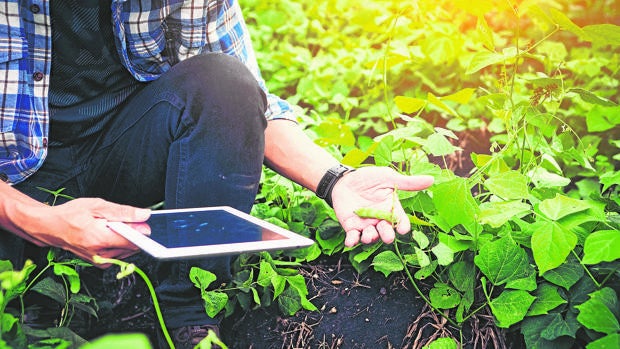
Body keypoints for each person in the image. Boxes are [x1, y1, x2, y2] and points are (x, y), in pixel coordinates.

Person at [0, 0, 434, 347]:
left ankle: (188, 311)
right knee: (18, 313)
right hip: (15, 180)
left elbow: (244, 102)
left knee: (224, 81)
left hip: (125, 150)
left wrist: (336, 179)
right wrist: (42, 223)